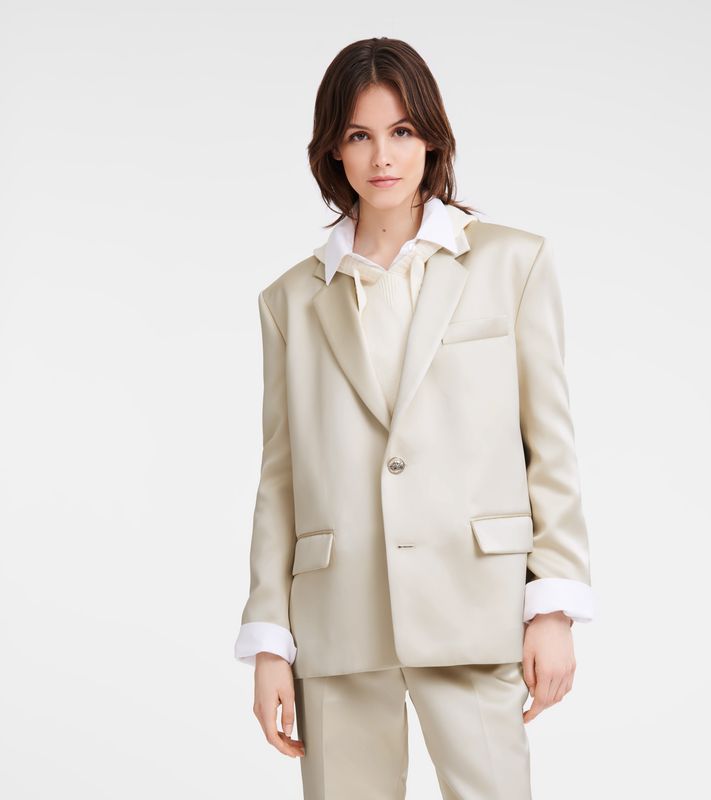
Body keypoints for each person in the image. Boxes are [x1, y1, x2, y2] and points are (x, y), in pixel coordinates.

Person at [233, 36, 594, 800]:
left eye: (400, 131)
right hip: (339, 618)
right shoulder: (290, 302)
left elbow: (550, 446)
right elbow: (281, 479)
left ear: (431, 137)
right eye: (359, 135)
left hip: (475, 603)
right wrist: (270, 641)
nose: (382, 156)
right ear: (333, 149)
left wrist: (554, 602)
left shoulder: (511, 263)